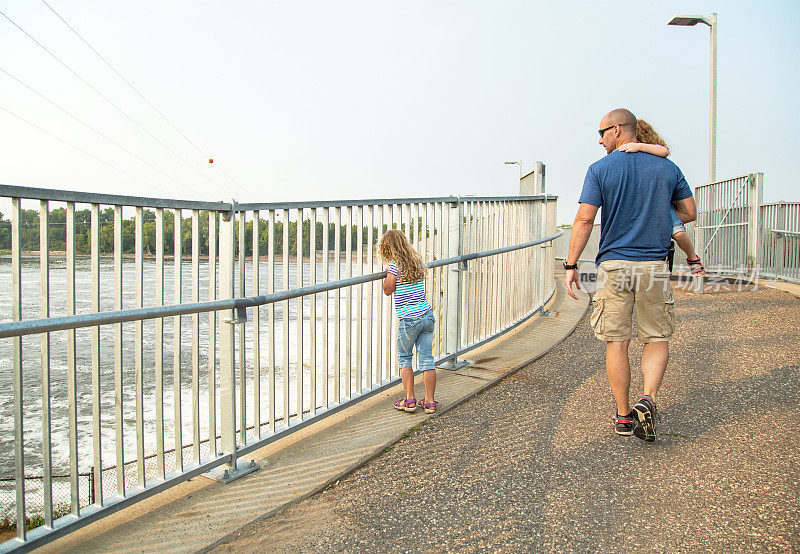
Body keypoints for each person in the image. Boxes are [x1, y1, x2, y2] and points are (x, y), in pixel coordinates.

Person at [564, 108, 697, 442]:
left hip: (615, 267)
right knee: (656, 337)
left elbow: (583, 220)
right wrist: (659, 210)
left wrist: (571, 265)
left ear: (619, 130)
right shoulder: (668, 168)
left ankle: (623, 417)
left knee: (617, 340)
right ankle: (648, 399)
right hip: (654, 266)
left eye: (602, 132)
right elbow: (690, 213)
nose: (600, 139)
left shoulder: (600, 170)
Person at [618, 119, 705, 275]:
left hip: (662, 207)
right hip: (652, 209)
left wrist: (637, 146)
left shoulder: (653, 152)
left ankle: (692, 257)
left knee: (678, 232)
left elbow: (664, 151)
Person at [379, 229, 438, 414]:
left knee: (405, 358)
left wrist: (387, 273)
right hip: (427, 315)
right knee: (427, 359)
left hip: (409, 320)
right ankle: (429, 401)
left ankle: (410, 400)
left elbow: (388, 289)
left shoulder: (395, 265)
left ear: (387, 248)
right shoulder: (417, 261)